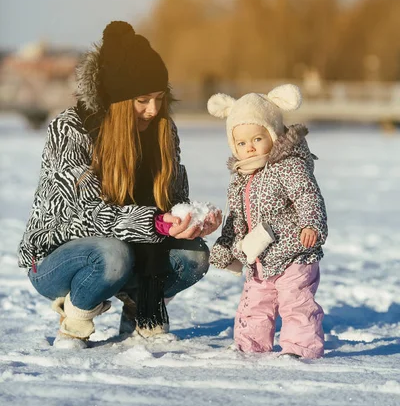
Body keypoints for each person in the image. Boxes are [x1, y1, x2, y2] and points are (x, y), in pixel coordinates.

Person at [18, 20, 221, 348]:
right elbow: (85, 216)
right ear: (118, 99)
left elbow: (172, 199)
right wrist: (156, 223)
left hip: (132, 250)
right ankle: (74, 321)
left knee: (194, 256)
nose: (153, 110)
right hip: (59, 257)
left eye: (159, 98)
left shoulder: (162, 131)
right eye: (142, 100)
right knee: (113, 253)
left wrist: (190, 220)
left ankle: (141, 310)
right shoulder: (72, 129)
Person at [207, 84, 328, 359]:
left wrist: (312, 225)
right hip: (259, 256)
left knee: (296, 302)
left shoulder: (288, 165)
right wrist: (226, 246)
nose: (249, 147)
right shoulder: (240, 176)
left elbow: (308, 195)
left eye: (257, 139)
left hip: (295, 251)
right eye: (241, 143)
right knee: (255, 305)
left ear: (272, 134)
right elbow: (236, 219)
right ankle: (250, 347)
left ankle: (301, 349)